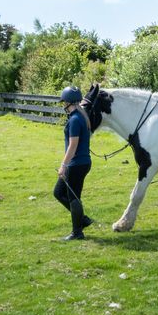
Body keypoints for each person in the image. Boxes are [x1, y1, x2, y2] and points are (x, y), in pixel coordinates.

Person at [54, 86, 94, 241]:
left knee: (73, 197)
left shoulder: (75, 119)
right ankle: (82, 220)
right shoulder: (80, 117)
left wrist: (63, 165)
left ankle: (77, 232)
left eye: (64, 102)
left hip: (76, 164)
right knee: (59, 193)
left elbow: (73, 145)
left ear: (69, 102)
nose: (63, 105)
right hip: (81, 163)